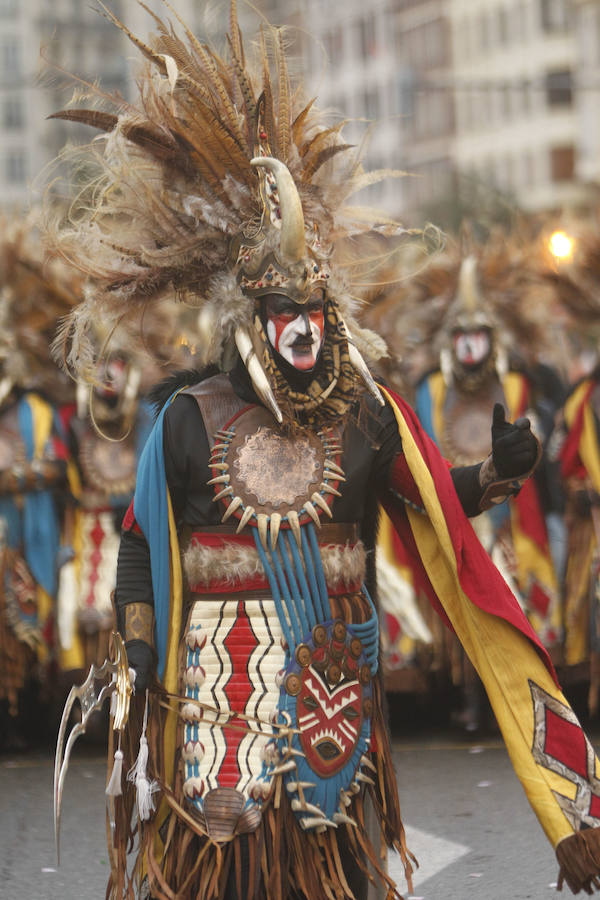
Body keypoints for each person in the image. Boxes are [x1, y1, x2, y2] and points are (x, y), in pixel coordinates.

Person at [48, 6, 600, 897]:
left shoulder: (371, 415)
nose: (301, 333)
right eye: (282, 318)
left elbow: (427, 498)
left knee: (335, 864)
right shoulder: (188, 416)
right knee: (222, 869)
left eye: (312, 316)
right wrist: (139, 648)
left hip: (336, 675)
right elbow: (144, 540)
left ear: (330, 320)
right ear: (252, 326)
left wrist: (500, 471)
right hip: (215, 682)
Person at [0, 214, 74, 747]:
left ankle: (29, 720)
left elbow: (56, 466)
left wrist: (20, 476)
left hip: (28, 542)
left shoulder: (36, 412)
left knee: (32, 634)